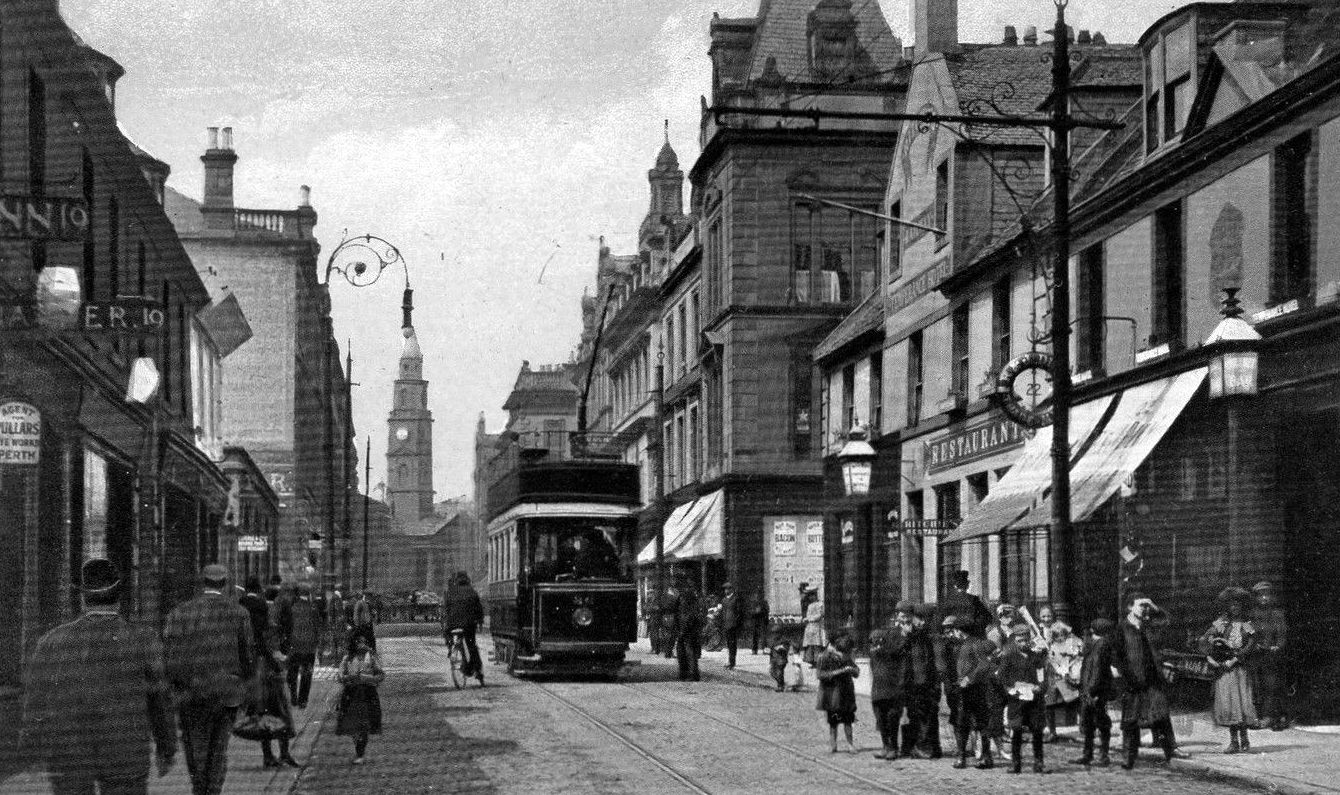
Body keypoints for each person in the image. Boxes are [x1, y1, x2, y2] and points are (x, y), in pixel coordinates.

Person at [22, 559, 177, 794]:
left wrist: (31, 748)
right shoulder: (144, 640)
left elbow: (36, 700)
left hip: (69, 757)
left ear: (83, 598)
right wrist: (166, 748)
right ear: (119, 598)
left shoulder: (52, 641)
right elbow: (159, 699)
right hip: (126, 753)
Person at [164, 564, 256, 795]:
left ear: (201, 583)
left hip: (193, 693)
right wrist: (245, 688)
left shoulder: (180, 613)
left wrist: (177, 688)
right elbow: (248, 656)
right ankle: (213, 790)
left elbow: (170, 657)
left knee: (196, 749)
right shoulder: (239, 613)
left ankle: (199, 788)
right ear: (225, 584)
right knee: (219, 748)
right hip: (227, 693)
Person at [1114, 593, 1188, 769]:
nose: (1145, 609)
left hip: (1153, 678)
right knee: (1131, 719)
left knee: (1161, 715)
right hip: (1133, 680)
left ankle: (1171, 750)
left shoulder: (1149, 626)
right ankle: (1128, 756)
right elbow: (1116, 656)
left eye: (1146, 606)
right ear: (1130, 607)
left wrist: (1153, 605)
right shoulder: (1122, 628)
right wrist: (1125, 676)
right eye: (1141, 605)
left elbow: (1167, 621)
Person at [239, 577, 298, 769]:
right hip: (268, 667)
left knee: (263, 712)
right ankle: (283, 752)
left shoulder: (243, 607)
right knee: (279, 710)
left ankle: (269, 754)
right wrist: (277, 661)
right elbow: (267, 640)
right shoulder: (263, 608)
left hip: (255, 667)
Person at [1200, 586, 1258, 754]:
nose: (1235, 608)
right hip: (1224, 670)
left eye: (1238, 604)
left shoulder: (1247, 625)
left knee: (1241, 702)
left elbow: (1251, 643)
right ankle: (1233, 741)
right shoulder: (1221, 622)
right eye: (1232, 605)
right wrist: (1212, 646)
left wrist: (1236, 658)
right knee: (1229, 703)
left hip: (1239, 668)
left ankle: (1245, 739)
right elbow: (1206, 637)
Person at [944, 615, 996, 770]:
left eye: (956, 630)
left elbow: (984, 664)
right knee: (961, 723)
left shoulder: (975, 644)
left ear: (960, 631)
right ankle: (961, 756)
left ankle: (986, 757)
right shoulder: (962, 644)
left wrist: (969, 678)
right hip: (963, 690)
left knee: (982, 723)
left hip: (976, 689)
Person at [997, 623, 1048, 774]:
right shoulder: (1008, 657)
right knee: (1016, 730)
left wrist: (1040, 687)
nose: (1023, 643)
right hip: (1017, 700)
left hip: (1034, 701)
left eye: (1025, 640)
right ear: (1014, 641)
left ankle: (1038, 762)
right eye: (1019, 641)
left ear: (1029, 640)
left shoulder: (1036, 657)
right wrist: (1011, 688)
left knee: (1037, 731)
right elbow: (1001, 677)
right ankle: (1016, 763)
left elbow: (1042, 676)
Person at [1070, 618, 1116, 767]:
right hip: (1091, 690)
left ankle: (1102, 756)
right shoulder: (1097, 645)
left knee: (1100, 722)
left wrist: (1091, 691)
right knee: (1090, 723)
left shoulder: (1100, 645)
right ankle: (1089, 755)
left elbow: (1096, 670)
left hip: (1094, 692)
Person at [336, 632, 384, 765]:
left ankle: (360, 752)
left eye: (364, 642)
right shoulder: (347, 659)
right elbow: (340, 676)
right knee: (352, 724)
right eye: (359, 642)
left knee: (364, 724)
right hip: (351, 694)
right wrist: (350, 678)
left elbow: (380, 675)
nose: (362, 645)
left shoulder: (372, 658)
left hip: (367, 693)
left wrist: (368, 678)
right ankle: (358, 747)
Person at [1249, 580, 1288, 730]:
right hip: (1255, 655)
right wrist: (1253, 644)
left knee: (1270, 686)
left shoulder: (1277, 614)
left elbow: (1282, 634)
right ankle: (1255, 716)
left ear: (1272, 597)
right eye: (1261, 595)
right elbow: (1248, 633)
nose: (1264, 598)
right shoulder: (1252, 615)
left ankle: (1268, 717)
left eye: (1267, 595)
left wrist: (1277, 646)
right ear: (1256, 598)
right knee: (1255, 686)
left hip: (1271, 657)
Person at [869, 614, 908, 760]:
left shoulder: (892, 655)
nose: (875, 645)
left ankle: (893, 748)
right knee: (881, 720)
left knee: (892, 720)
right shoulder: (873, 655)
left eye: (878, 642)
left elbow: (900, 668)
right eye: (873, 642)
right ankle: (885, 746)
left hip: (892, 692)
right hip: (877, 692)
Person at [905, 603, 942, 758]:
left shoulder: (927, 637)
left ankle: (929, 746)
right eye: (919, 619)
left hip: (926, 683)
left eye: (926, 619)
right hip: (915, 683)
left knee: (927, 715)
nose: (922, 622)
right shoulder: (910, 637)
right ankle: (923, 746)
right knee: (919, 715)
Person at [276, 581, 319, 708]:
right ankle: (303, 700)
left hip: (294, 646)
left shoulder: (292, 608)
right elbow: (317, 627)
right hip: (309, 647)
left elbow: (286, 626)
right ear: (308, 593)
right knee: (307, 673)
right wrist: (316, 643)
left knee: (292, 672)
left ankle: (293, 696)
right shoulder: (313, 608)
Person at [815, 635, 860, 754]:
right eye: (846, 653)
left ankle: (850, 745)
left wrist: (853, 670)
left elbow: (856, 671)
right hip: (832, 696)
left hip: (846, 694)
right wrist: (840, 671)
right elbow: (820, 675)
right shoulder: (824, 656)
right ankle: (833, 745)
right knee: (833, 722)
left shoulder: (846, 656)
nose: (847, 655)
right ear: (836, 649)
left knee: (848, 721)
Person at [1043, 617, 1083, 742]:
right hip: (1054, 678)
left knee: (1075, 701)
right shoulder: (1051, 646)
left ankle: (1084, 727)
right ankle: (1052, 731)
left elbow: (1078, 658)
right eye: (1057, 636)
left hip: (1068, 677)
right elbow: (1050, 661)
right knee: (1049, 705)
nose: (1060, 638)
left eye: (1062, 635)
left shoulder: (1073, 643)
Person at [443, 571, 484, 682]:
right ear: (467, 580)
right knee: (472, 645)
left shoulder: (450, 592)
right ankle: (477, 669)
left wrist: (446, 623)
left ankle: (450, 646)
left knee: (448, 633)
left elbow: (446, 609)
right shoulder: (472, 591)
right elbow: (478, 609)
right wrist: (480, 622)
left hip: (452, 624)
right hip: (468, 624)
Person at [939, 570, 992, 636]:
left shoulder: (947, 601)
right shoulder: (974, 599)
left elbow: (940, 620)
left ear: (955, 586)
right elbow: (987, 617)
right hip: (971, 635)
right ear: (967, 585)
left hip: (952, 636)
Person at [675, 576, 703, 681]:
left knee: (689, 653)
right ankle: (685, 673)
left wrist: (683, 629)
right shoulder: (686, 596)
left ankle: (692, 674)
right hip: (686, 629)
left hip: (688, 630)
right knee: (683, 652)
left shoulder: (686, 597)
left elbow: (689, 615)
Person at [801, 587, 826, 666]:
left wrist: (809, 619)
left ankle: (818, 662)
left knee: (817, 645)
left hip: (816, 627)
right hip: (810, 627)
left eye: (812, 595)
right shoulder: (810, 605)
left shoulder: (820, 604)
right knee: (810, 645)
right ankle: (811, 661)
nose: (810, 598)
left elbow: (819, 615)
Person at [719, 582, 742, 668]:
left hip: (733, 624)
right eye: (725, 589)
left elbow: (739, 612)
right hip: (726, 624)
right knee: (728, 644)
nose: (726, 591)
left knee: (732, 644)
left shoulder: (735, 599)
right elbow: (723, 612)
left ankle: (732, 662)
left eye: (728, 589)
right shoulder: (724, 600)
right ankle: (729, 660)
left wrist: (736, 622)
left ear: (731, 589)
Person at [748, 589, 770, 655]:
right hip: (756, 620)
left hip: (762, 620)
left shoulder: (764, 602)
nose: (757, 596)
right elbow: (750, 612)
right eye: (757, 594)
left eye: (759, 594)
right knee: (755, 635)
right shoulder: (754, 603)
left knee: (763, 635)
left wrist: (761, 611)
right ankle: (755, 649)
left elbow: (767, 610)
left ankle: (762, 649)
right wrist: (755, 612)